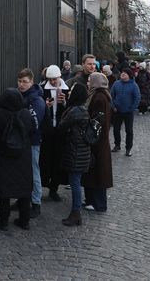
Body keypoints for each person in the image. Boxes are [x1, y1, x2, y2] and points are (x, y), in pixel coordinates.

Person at [0, 88, 33, 231]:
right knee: (24, 188)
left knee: (4, 188)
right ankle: (24, 220)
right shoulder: (27, 114)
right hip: (23, 155)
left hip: (3, 155)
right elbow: (32, 130)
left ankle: (3, 220)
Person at [57, 83, 91, 227]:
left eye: (71, 91)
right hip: (80, 151)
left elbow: (61, 126)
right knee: (76, 182)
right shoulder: (82, 109)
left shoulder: (76, 111)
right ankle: (75, 213)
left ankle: (76, 213)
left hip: (76, 152)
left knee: (75, 183)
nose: (69, 92)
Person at [17, 68, 46, 219]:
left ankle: (36, 203)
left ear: (32, 82)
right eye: (20, 81)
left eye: (25, 82)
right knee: (21, 172)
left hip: (32, 141)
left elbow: (34, 123)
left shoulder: (36, 100)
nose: (21, 84)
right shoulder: (19, 96)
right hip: (21, 140)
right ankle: (23, 198)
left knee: (34, 171)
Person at [82, 73, 113, 212]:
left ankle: (98, 203)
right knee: (96, 172)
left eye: (90, 81)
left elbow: (97, 121)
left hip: (97, 142)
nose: (88, 83)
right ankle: (93, 201)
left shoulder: (99, 97)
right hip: (99, 141)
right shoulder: (101, 95)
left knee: (98, 173)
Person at [39, 65, 69, 203]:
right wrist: (46, 107)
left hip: (61, 131)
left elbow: (70, 111)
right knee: (45, 160)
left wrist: (64, 103)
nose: (52, 82)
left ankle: (54, 189)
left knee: (58, 161)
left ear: (59, 77)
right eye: (50, 79)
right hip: (47, 130)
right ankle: (43, 185)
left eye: (55, 79)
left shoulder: (66, 89)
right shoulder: (42, 90)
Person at [110, 68, 141, 157]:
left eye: (125, 73)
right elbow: (111, 96)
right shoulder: (116, 84)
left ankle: (128, 149)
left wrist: (132, 108)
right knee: (116, 129)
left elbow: (137, 98)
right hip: (117, 111)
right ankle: (117, 145)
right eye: (122, 73)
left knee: (129, 131)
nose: (123, 74)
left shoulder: (134, 85)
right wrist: (113, 106)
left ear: (129, 75)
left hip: (128, 112)